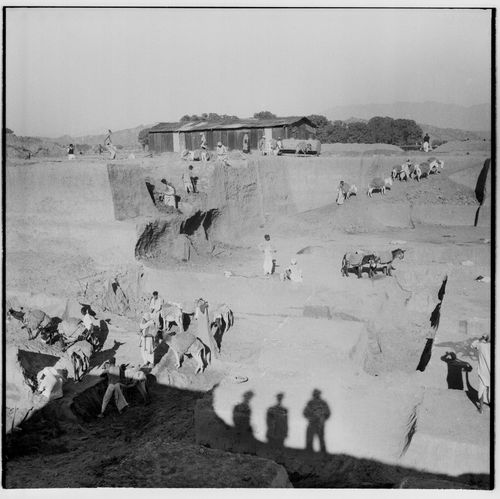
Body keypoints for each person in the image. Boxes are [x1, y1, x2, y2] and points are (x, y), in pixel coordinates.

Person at [303, 389, 331, 453]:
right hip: (312, 423)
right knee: (309, 438)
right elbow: (305, 412)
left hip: (320, 424)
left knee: (321, 439)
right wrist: (310, 417)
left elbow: (328, 413)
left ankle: (323, 454)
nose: (316, 395)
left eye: (317, 394)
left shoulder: (323, 403)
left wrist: (323, 419)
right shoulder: (310, 403)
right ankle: (309, 453)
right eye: (315, 394)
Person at [471, 335, 491, 414]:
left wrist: (481, 338)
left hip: (482, 371)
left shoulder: (481, 345)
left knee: (482, 390)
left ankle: (481, 409)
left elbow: (472, 344)